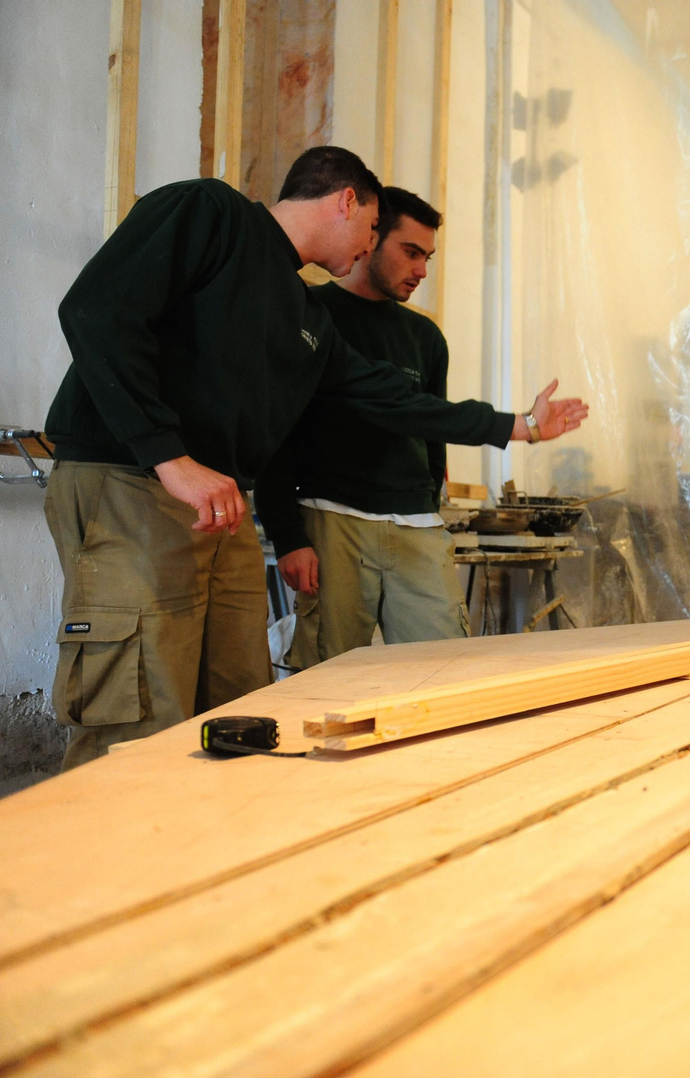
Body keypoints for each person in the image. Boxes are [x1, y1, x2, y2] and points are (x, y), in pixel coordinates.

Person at [44, 147, 588, 767]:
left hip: (217, 509)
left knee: (237, 712)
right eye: (373, 228)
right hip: (131, 482)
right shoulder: (209, 212)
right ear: (345, 200)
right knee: (137, 712)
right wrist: (170, 458)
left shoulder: (305, 315)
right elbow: (94, 311)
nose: (370, 244)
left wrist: (519, 426)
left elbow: (392, 398)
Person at [253, 189, 584, 667]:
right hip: (332, 519)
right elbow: (276, 431)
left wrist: (431, 504)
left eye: (428, 257)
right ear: (370, 237)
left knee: (444, 668)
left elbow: (430, 428)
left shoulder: (425, 337)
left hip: (416, 525)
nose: (422, 270)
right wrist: (289, 535)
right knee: (327, 676)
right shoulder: (312, 313)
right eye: (410, 252)